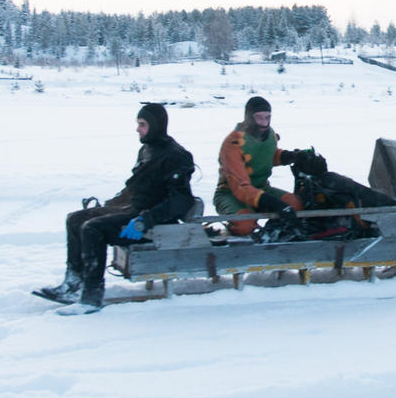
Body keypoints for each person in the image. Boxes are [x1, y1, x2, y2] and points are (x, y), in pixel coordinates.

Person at [35, 103, 196, 315]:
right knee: (75, 219)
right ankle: (73, 284)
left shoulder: (176, 155)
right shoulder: (147, 150)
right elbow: (135, 188)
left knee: (93, 229)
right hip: (134, 211)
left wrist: (145, 220)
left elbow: (181, 200)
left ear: (156, 125)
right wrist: (110, 207)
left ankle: (91, 297)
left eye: (143, 124)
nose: (138, 129)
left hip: (155, 225)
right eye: (138, 124)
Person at [214, 96, 323, 236]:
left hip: (261, 188)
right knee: (245, 224)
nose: (264, 123)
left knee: (295, 205)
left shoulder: (270, 135)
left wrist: (292, 156)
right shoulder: (233, 143)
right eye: (259, 118)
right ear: (249, 117)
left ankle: (276, 234)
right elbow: (240, 187)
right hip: (230, 193)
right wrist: (274, 204)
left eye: (267, 117)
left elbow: (267, 155)